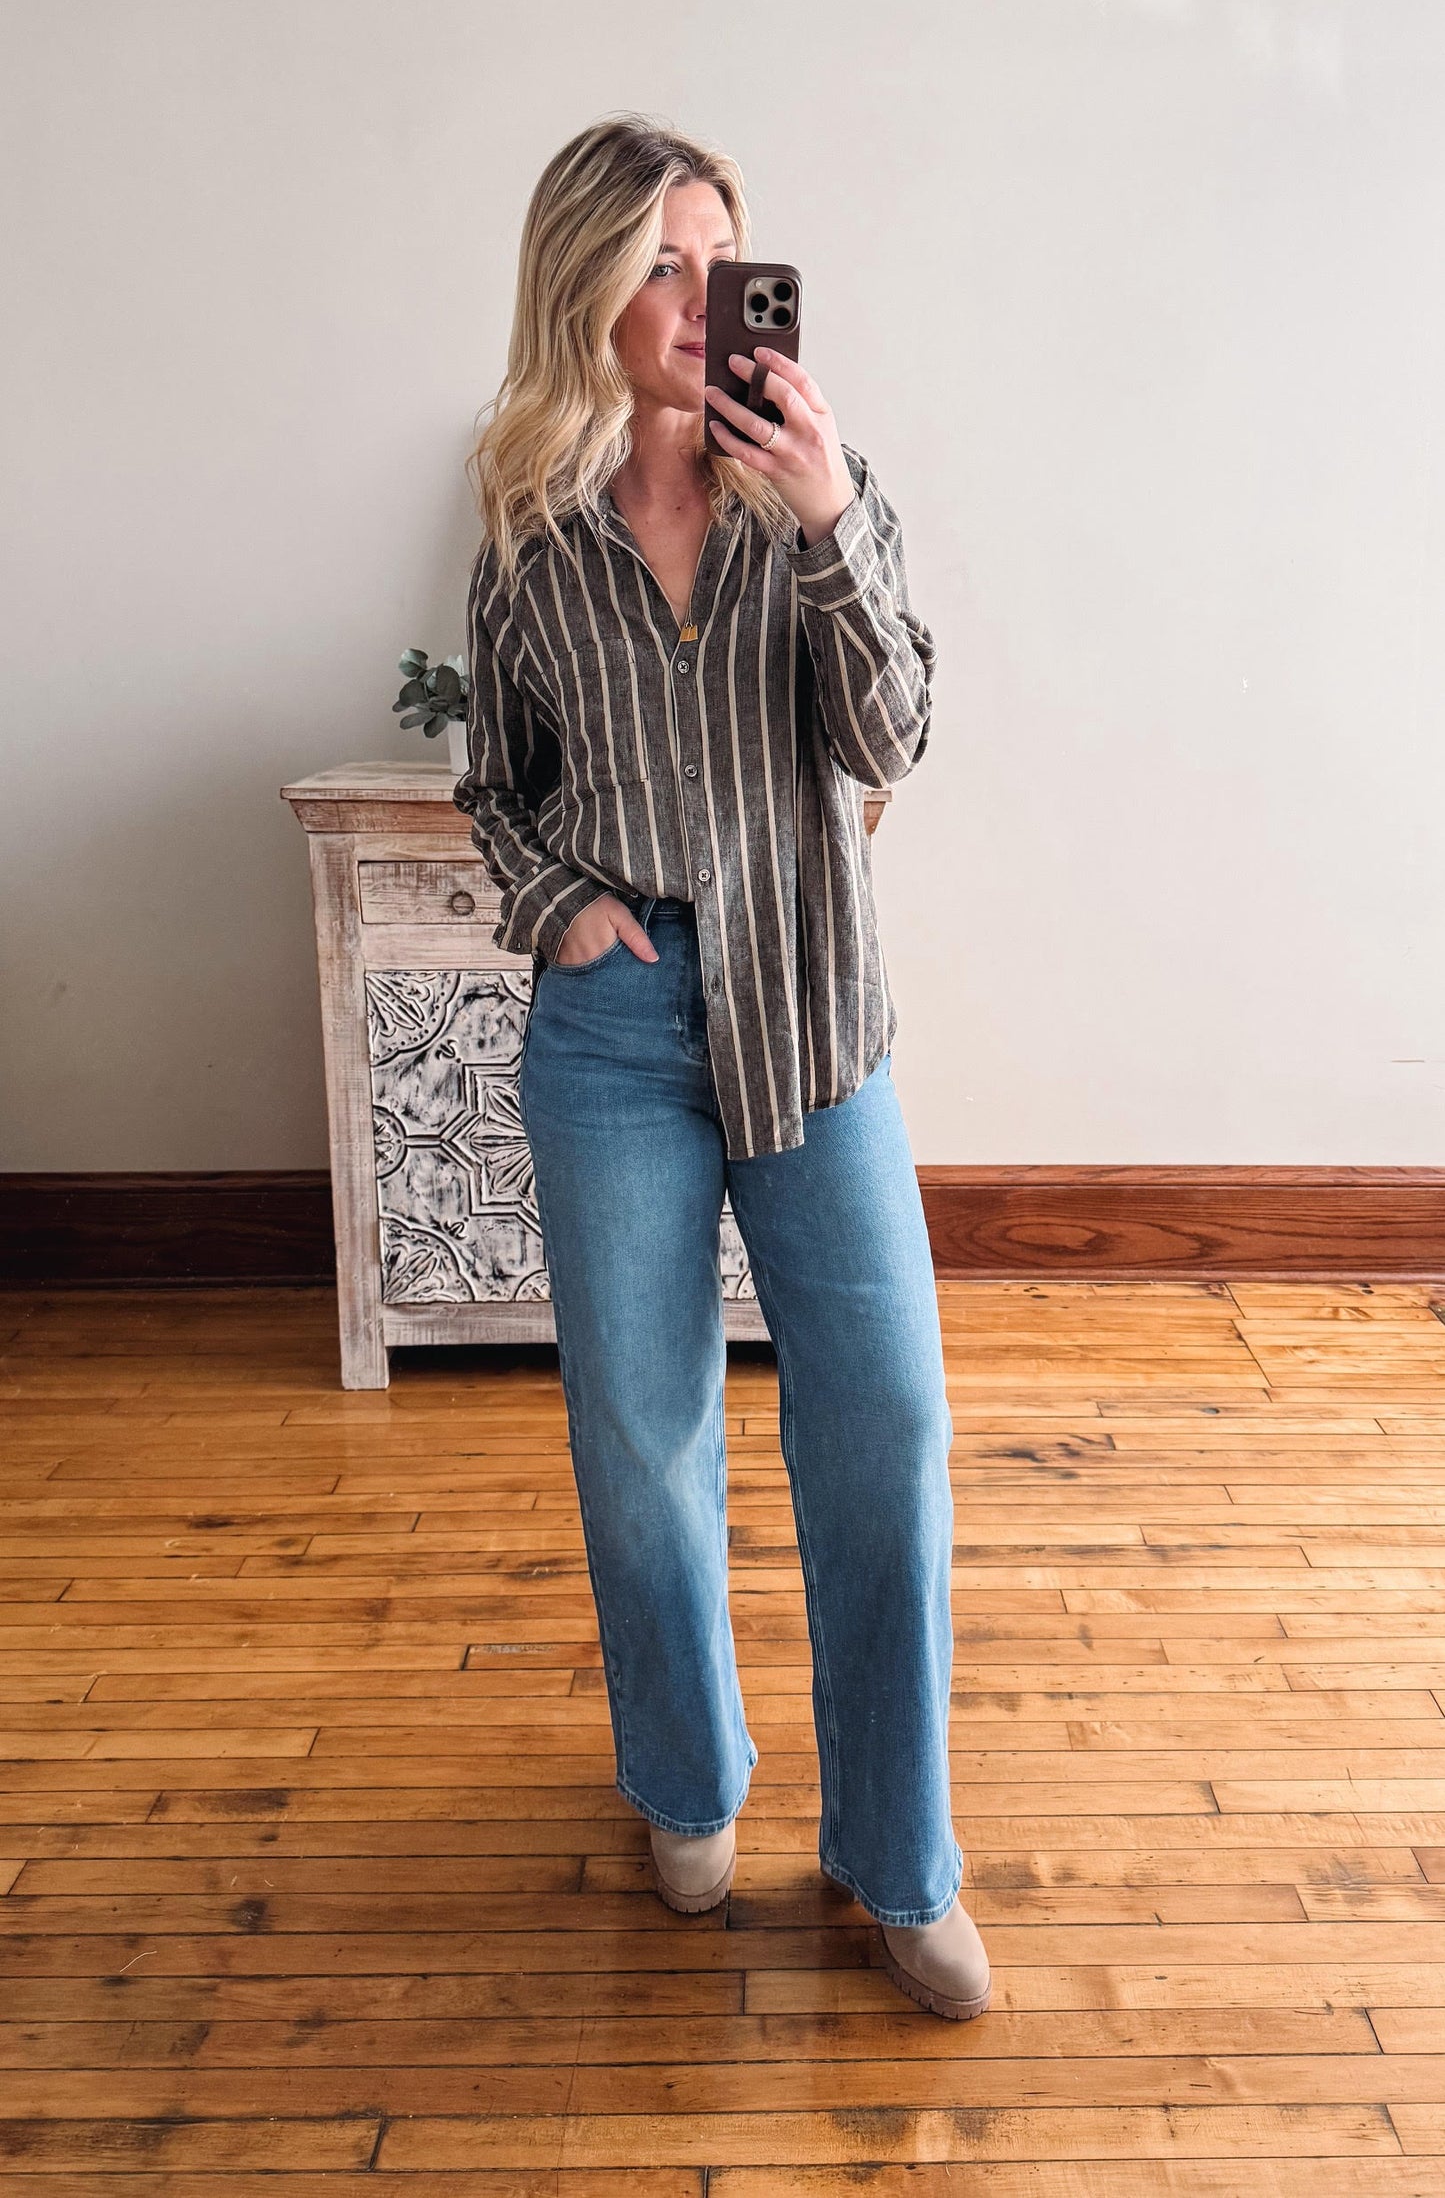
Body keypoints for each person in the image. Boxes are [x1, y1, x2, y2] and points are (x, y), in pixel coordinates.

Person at [454, 112, 990, 2021]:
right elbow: (497, 786)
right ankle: (687, 1784)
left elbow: (894, 734)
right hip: (613, 1031)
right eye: (658, 267)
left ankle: (897, 1860)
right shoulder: (526, 529)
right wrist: (563, 909)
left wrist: (832, 515)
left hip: (810, 1013)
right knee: (640, 1440)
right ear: (585, 293)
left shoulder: (813, 492)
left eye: (721, 263)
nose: (696, 304)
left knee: (885, 1430)